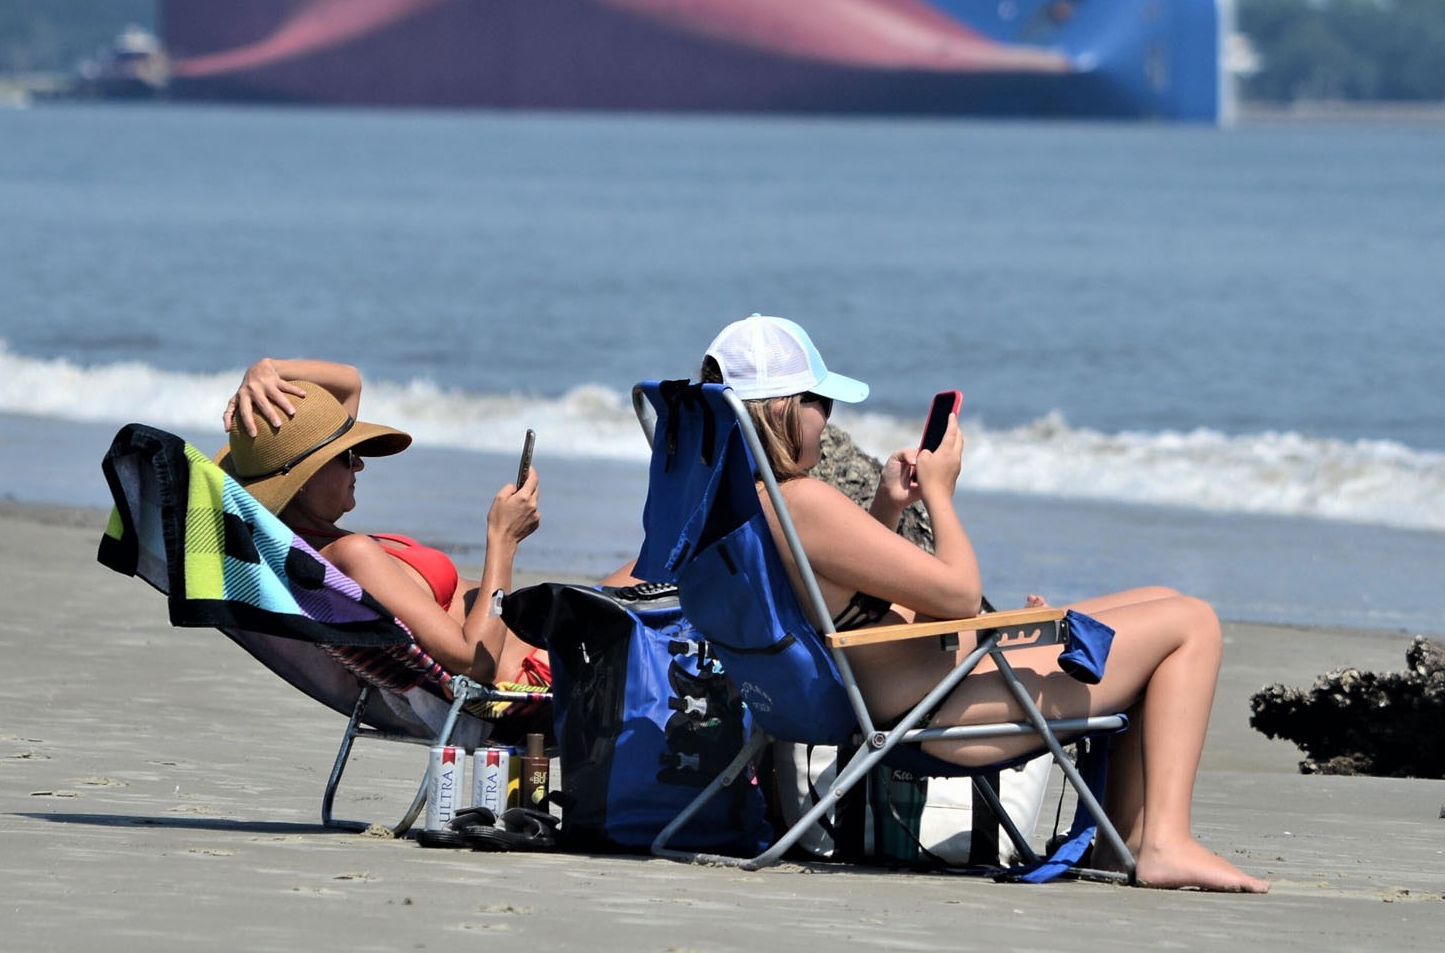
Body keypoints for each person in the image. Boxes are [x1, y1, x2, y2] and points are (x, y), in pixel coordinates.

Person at [699, 315, 1269, 893]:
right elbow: (960, 596)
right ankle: (1163, 841)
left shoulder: (741, 505)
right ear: (782, 409)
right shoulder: (801, 502)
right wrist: (940, 493)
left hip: (907, 686)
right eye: (821, 401)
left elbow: (832, 595)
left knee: (1160, 600)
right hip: (935, 711)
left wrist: (887, 509)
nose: (830, 417)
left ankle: (1116, 840)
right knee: (1192, 623)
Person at [218, 357, 631, 687]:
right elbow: (475, 662)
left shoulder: (308, 543)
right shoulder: (351, 555)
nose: (360, 464)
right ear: (304, 479)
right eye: (345, 456)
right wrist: (503, 539)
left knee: (661, 564)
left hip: (557, 632)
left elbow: (350, 382)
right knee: (666, 575)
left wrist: (265, 370)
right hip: (550, 667)